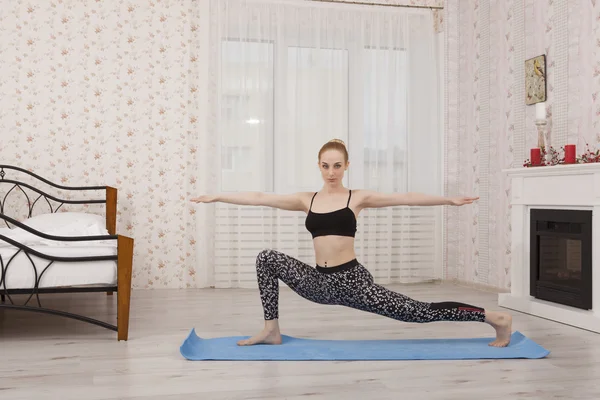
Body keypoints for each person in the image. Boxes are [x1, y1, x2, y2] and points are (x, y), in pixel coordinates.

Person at [190, 139, 513, 348]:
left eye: (337, 165)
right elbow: (261, 198)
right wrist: (218, 195)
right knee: (266, 258)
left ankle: (494, 318)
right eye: (326, 165)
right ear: (319, 166)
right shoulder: (308, 199)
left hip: (353, 283)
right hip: (318, 283)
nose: (332, 172)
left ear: (346, 167)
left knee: (418, 312)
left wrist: (448, 200)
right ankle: (271, 329)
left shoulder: (357, 197)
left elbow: (407, 198)